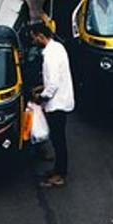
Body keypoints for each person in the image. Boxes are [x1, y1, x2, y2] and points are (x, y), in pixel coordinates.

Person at [30, 22, 74, 188]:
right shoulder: (58, 48)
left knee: (58, 140)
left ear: (41, 36)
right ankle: (57, 170)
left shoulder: (50, 55)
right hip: (63, 99)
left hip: (57, 103)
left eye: (34, 38)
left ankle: (60, 175)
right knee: (58, 139)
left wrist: (41, 97)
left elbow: (53, 83)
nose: (34, 41)